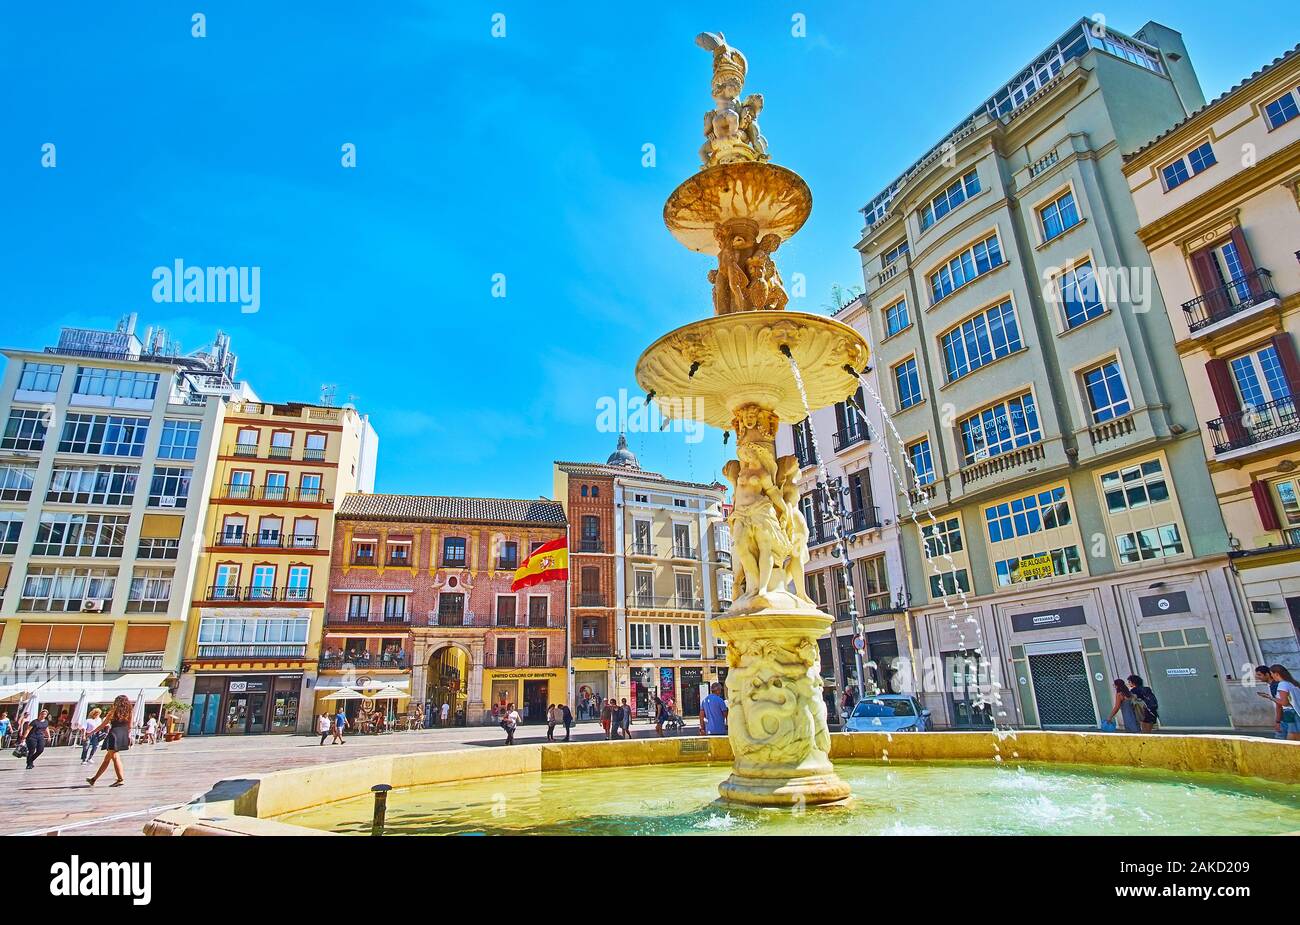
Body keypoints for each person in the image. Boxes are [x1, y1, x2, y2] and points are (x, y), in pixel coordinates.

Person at [86, 695, 132, 787]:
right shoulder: (130, 712)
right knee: (107, 759)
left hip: (114, 734)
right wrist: (129, 736)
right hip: (123, 734)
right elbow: (130, 726)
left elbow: (103, 724)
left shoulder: (113, 711)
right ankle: (94, 779)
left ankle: (120, 779)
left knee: (115, 756)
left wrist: (91, 732)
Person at [1270, 665, 1300, 741]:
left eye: (1272, 674)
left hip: (1290, 712)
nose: (1272, 676)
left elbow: (1284, 702)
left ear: (1276, 674)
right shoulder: (1292, 683)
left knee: (1293, 737)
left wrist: (1271, 698)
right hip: (1296, 711)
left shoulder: (1282, 684)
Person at [1255, 665, 1285, 739]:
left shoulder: (1275, 685)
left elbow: (1279, 704)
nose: (1257, 677)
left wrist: (1278, 722)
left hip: (1285, 718)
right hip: (1286, 716)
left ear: (1267, 674)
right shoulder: (1274, 685)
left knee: (1281, 739)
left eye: (1259, 675)